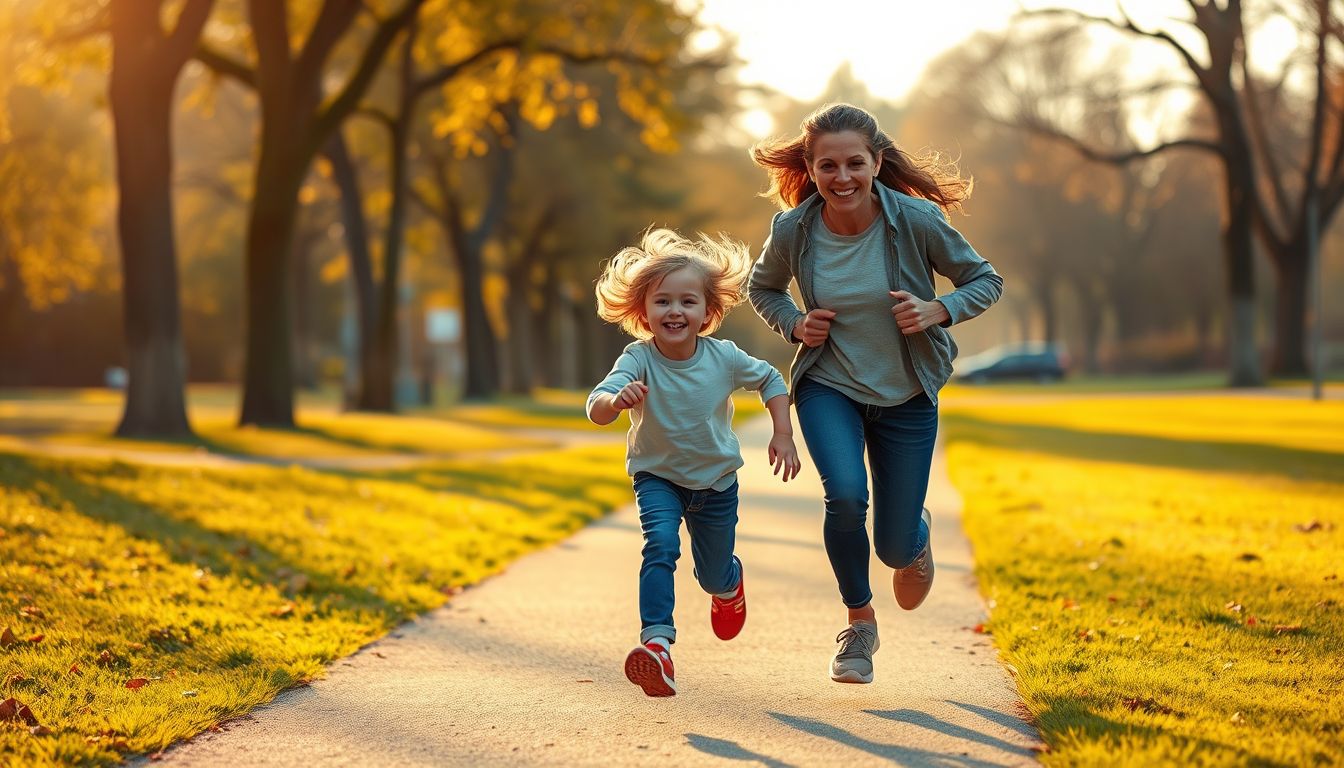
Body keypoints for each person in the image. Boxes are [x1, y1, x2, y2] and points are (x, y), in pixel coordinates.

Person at [748, 103, 1003, 684]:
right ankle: (859, 625)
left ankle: (914, 533)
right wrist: (793, 323)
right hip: (828, 385)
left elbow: (986, 279)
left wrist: (939, 309)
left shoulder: (914, 220)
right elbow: (761, 288)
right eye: (828, 165)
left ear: (876, 161)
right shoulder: (793, 230)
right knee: (843, 495)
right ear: (809, 170)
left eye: (854, 164)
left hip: (907, 391)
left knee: (893, 544)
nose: (842, 178)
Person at [588, 228, 802, 697]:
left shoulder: (723, 357)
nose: (675, 311)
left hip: (716, 482)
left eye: (688, 301)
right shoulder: (637, 359)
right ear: (643, 311)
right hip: (657, 477)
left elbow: (771, 380)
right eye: (663, 301)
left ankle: (729, 584)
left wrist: (782, 433)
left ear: (709, 312)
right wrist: (615, 401)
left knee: (712, 573)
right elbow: (597, 406)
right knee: (659, 546)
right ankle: (658, 645)